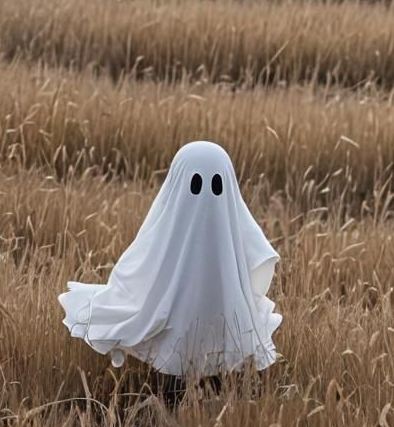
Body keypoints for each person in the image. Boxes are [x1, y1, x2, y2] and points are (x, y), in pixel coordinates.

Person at [59, 140, 281, 384]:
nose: (206, 195)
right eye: (195, 185)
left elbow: (141, 262)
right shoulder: (233, 220)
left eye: (216, 185)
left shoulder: (169, 222)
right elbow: (260, 262)